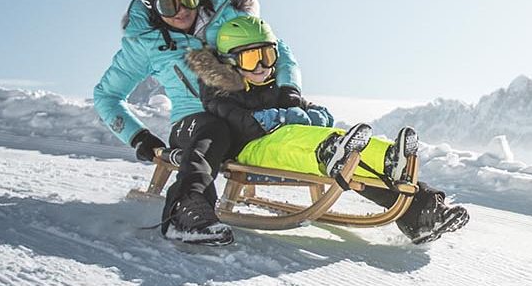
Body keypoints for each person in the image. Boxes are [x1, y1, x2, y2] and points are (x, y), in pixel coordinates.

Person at [187, 15, 470, 245]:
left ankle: (418, 204)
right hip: (253, 149)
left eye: (268, 56)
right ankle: (330, 153)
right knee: (301, 140)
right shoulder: (220, 92)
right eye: (251, 59)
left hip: (299, 144)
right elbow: (249, 123)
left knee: (350, 150)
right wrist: (289, 117)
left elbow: (320, 114)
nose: (262, 66)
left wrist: (306, 114)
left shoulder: (274, 89)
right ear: (230, 62)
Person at [93, 0, 303, 242]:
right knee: (211, 128)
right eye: (168, 4)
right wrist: (139, 138)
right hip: (194, 124)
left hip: (246, 112)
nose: (181, 10)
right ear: (151, 7)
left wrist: (288, 91)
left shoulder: (230, 13)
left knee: (307, 125)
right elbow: (107, 94)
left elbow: (280, 52)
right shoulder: (145, 44)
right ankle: (186, 210)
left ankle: (384, 192)